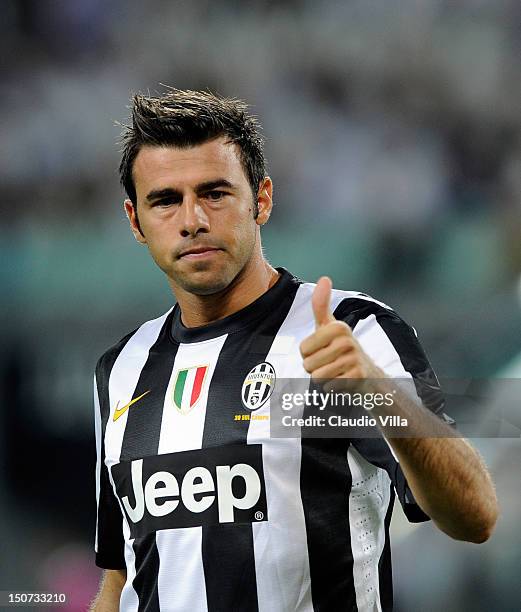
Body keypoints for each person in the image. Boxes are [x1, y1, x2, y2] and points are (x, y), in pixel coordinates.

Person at [90, 89, 498, 612]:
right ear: (134, 220)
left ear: (261, 200)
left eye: (215, 193)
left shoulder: (353, 332)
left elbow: (475, 515)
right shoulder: (121, 369)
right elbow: (120, 576)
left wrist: (377, 393)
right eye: (166, 200)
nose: (192, 220)